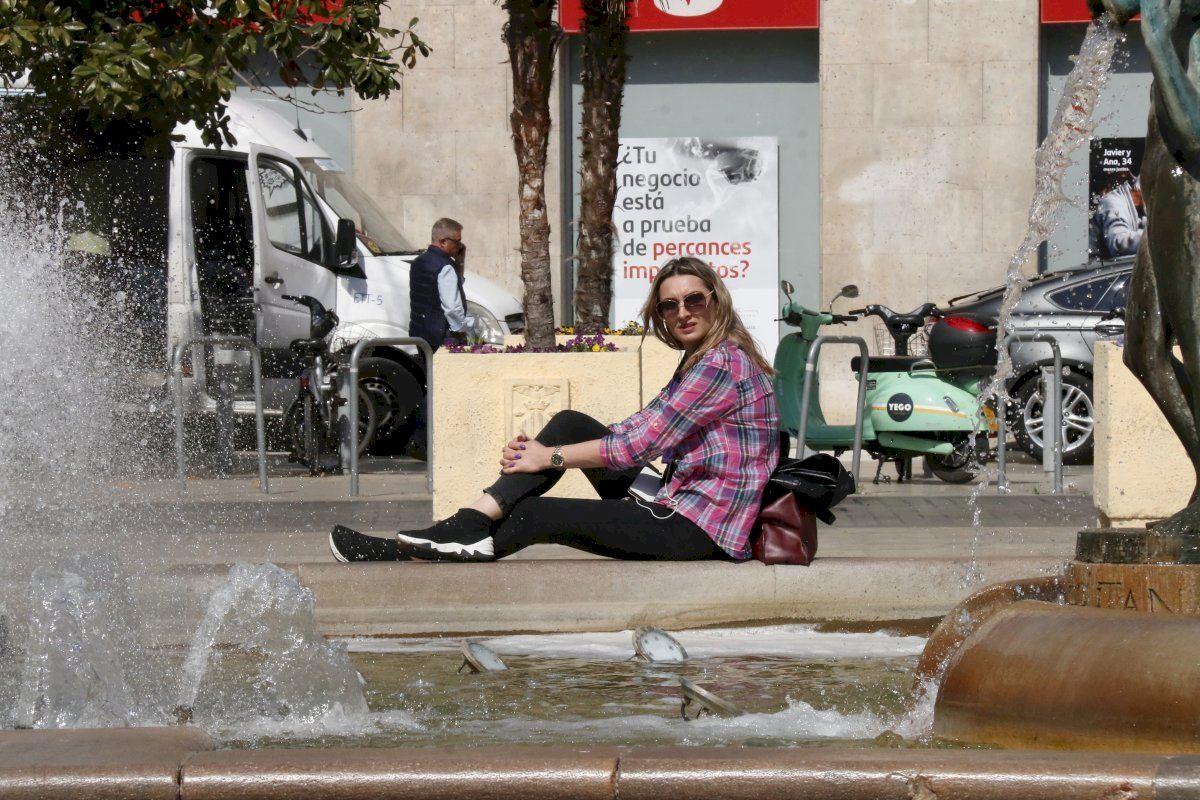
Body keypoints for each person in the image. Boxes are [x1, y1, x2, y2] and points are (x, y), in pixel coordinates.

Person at [329, 256, 780, 564]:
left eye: (694, 300)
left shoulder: (720, 364)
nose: (683, 313)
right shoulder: (705, 357)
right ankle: (469, 522)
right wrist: (540, 453)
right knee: (570, 424)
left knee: (536, 516)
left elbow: (638, 447)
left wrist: (548, 457)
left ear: (716, 300)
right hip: (676, 498)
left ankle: (419, 547)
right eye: (670, 305)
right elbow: (642, 423)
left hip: (699, 527)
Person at [409, 217, 471, 351]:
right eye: (457, 241)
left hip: (420, 334)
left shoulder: (419, 261)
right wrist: (462, 331)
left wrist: (460, 262)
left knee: (427, 365)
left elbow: (440, 290)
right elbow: (452, 308)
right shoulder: (445, 266)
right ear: (443, 242)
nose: (461, 246)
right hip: (442, 337)